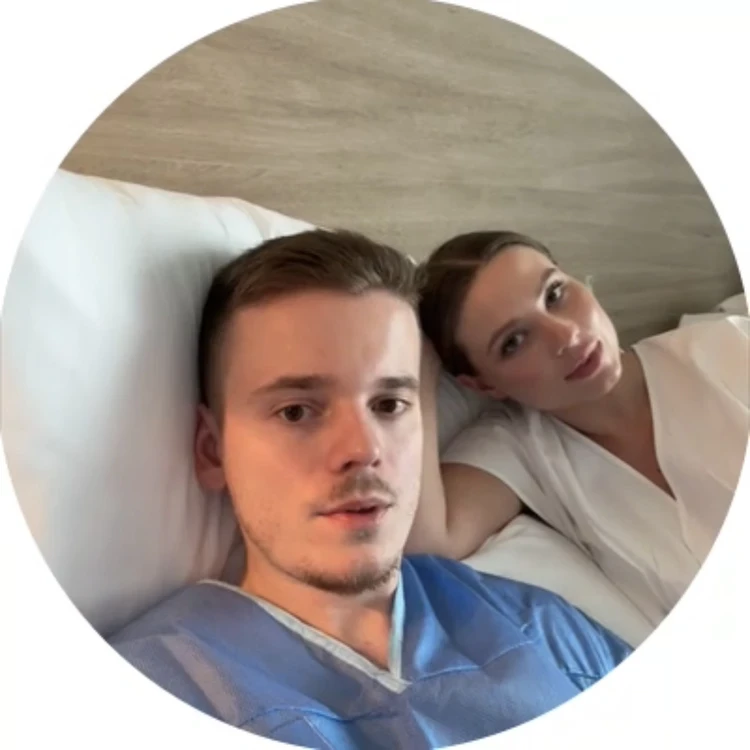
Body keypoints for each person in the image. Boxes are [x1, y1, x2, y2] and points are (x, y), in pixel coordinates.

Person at [108, 229, 631, 749]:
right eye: (296, 411)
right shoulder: (141, 693)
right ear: (212, 451)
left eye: (389, 405)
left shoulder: (540, 627)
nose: (363, 448)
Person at [407, 229, 749, 629]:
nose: (566, 335)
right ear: (482, 385)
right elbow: (426, 544)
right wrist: (415, 371)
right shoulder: (519, 450)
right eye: (514, 341)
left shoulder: (729, 347)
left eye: (554, 294)